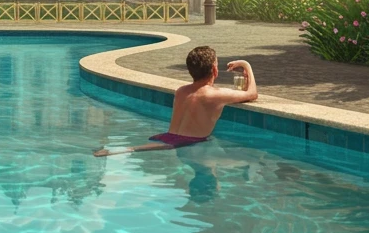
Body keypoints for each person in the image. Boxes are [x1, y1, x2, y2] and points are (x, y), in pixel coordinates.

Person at [93, 46, 256, 156]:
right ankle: (115, 151)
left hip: (167, 137)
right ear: (214, 70)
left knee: (139, 148)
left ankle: (116, 151)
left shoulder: (181, 91)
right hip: (190, 144)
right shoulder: (215, 95)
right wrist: (246, 64)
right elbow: (252, 94)